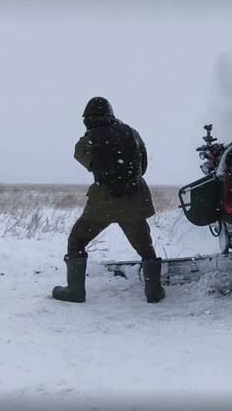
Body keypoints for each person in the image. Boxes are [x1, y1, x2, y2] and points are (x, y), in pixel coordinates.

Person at [52, 97, 164, 304]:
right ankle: (154, 291)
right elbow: (143, 165)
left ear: (87, 119)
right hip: (134, 200)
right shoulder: (131, 133)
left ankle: (75, 291)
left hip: (103, 202)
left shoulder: (88, 140)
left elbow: (85, 160)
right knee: (145, 248)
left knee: (77, 241)